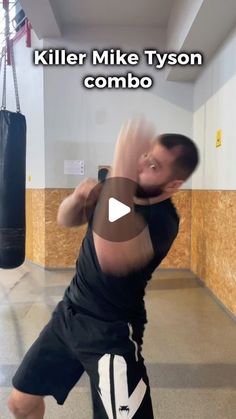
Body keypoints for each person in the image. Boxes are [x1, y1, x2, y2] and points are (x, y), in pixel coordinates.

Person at [8, 119, 199, 418]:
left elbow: (111, 254)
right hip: (69, 314)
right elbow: (65, 219)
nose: (140, 164)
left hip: (111, 331)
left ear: (173, 185)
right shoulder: (115, 189)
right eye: (143, 155)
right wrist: (77, 198)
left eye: (152, 165)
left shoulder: (162, 220)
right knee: (21, 402)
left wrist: (121, 163)